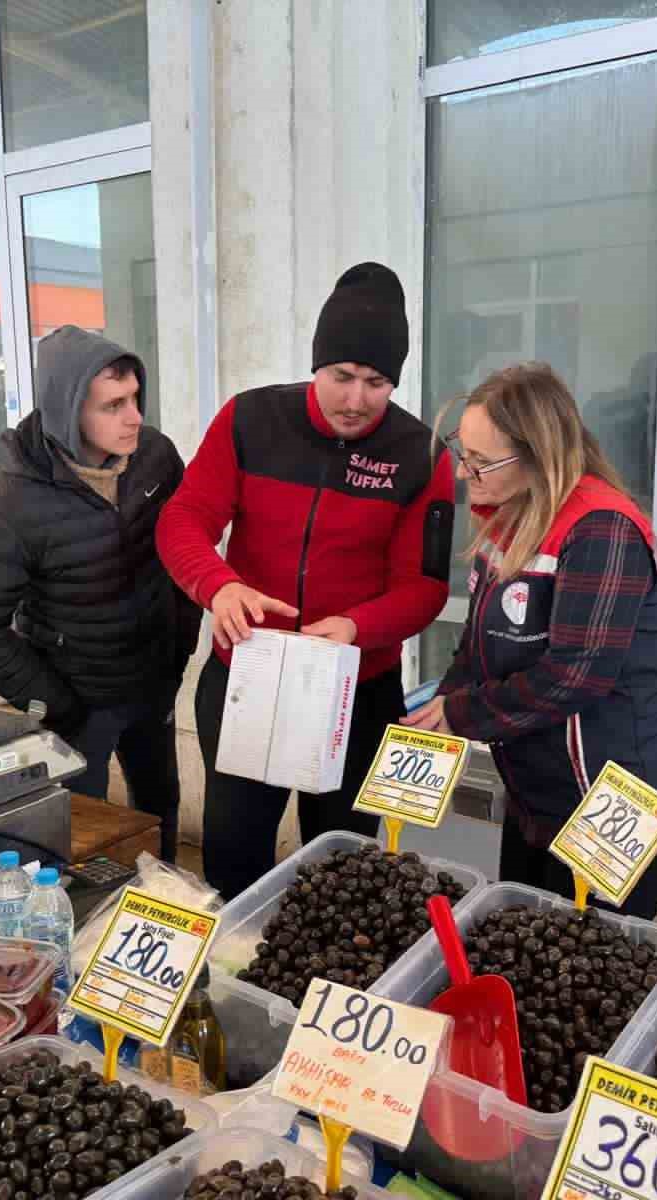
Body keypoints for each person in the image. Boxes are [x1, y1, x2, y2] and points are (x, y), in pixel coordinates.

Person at [157, 262, 456, 900]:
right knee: (235, 858)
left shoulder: (421, 454)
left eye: (376, 382)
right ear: (315, 364)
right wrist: (218, 585)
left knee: (344, 872)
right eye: (342, 376)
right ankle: (237, 989)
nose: (355, 399)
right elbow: (182, 519)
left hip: (357, 688)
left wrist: (356, 627)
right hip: (247, 677)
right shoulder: (250, 419)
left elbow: (425, 587)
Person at [403, 362, 657, 919]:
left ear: (539, 455)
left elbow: (575, 675)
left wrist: (462, 714)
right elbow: (478, 643)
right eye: (461, 452)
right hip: (541, 793)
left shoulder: (602, 529)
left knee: (590, 965)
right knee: (521, 939)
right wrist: (437, 710)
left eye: (482, 462)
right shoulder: (509, 518)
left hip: (616, 802)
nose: (464, 474)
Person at [0, 327, 199, 863]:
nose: (134, 417)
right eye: (113, 405)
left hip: (153, 679)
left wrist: (179, 649)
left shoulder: (154, 458)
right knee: (86, 836)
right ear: (68, 409)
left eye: (135, 399)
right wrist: (52, 699)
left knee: (159, 810)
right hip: (78, 699)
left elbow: (183, 554)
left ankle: (172, 907)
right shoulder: (9, 500)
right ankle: (90, 928)